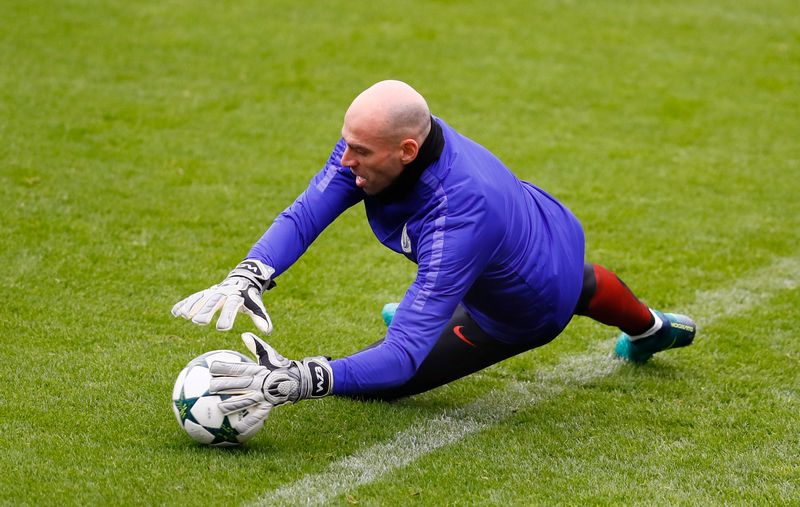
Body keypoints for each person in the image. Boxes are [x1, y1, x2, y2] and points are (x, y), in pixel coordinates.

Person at [171, 80, 696, 432]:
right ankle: (652, 328)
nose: (345, 160)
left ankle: (448, 317)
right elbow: (307, 212)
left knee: (387, 379)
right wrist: (251, 272)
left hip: (528, 307)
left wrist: (302, 378)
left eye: (360, 152)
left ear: (406, 151)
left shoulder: (457, 216)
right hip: (543, 224)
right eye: (346, 143)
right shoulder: (387, 138)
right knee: (564, 281)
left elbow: (401, 358)